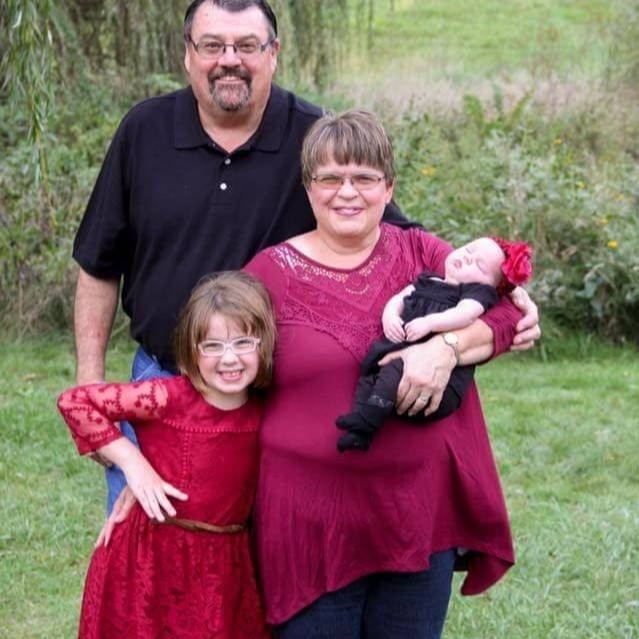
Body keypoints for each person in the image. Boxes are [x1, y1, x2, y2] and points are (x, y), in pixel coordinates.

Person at [71, 0, 414, 514]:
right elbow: (99, 265)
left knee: (264, 554)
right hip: (160, 383)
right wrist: (92, 384)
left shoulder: (313, 137)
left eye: (247, 46)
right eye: (213, 45)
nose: (229, 59)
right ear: (188, 54)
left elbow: (397, 239)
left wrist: (483, 292)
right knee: (143, 544)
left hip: (274, 400)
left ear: (273, 53)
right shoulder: (144, 131)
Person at [235, 109, 526, 638]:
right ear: (308, 188)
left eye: (364, 178)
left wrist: (446, 349)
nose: (347, 192)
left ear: (389, 188)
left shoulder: (425, 255)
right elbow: (217, 372)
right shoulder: (267, 274)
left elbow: (511, 313)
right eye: (330, 178)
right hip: (309, 524)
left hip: (416, 515)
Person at [57, 271, 275, 639]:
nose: (229, 358)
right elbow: (75, 402)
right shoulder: (166, 397)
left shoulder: (265, 411)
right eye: (212, 345)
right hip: (150, 561)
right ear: (191, 349)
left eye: (243, 342)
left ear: (263, 344)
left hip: (225, 563)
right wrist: (133, 463)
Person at [336, 236, 533, 452]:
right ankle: (359, 427)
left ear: (490, 285)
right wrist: (390, 316)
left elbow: (465, 314)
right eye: (468, 250)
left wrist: (430, 323)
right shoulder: (428, 279)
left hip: (440, 384)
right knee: (371, 372)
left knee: (394, 369)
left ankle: (368, 421)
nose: (467, 258)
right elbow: (400, 298)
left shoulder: (476, 293)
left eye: (479, 265)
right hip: (401, 351)